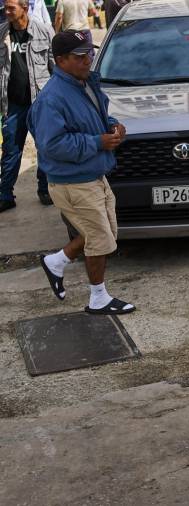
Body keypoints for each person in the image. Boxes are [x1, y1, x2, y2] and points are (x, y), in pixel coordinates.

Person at [30, 30, 135, 315]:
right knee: (99, 237)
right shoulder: (51, 98)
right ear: (60, 60)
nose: (88, 59)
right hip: (72, 181)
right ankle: (98, 298)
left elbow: (97, 117)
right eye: (79, 56)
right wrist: (97, 142)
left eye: (89, 53)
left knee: (105, 234)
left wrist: (113, 126)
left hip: (94, 174)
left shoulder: (85, 83)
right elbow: (52, 145)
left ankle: (57, 262)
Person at [0, 0, 54, 213]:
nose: (6, 11)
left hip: (40, 103)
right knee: (11, 149)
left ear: (24, 8)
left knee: (44, 148)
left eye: (11, 7)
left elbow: (56, 68)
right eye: (5, 7)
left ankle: (44, 189)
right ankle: (5, 195)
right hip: (13, 105)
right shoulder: (2, 33)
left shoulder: (44, 32)